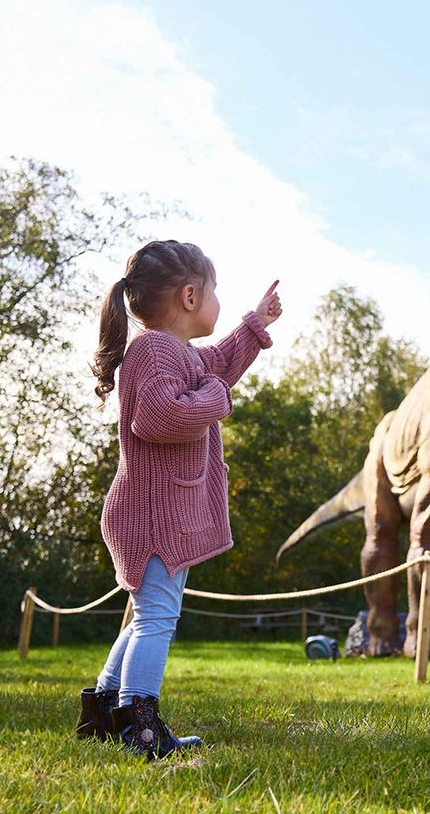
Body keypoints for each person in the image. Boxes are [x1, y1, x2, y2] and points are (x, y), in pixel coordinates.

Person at [75, 240, 281, 759]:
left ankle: (102, 710)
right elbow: (160, 417)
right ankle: (140, 726)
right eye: (215, 292)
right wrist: (216, 400)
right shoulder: (154, 351)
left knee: (147, 613)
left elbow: (219, 363)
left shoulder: (173, 351)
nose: (217, 301)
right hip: (152, 519)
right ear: (190, 297)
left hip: (154, 515)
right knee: (156, 619)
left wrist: (255, 325)